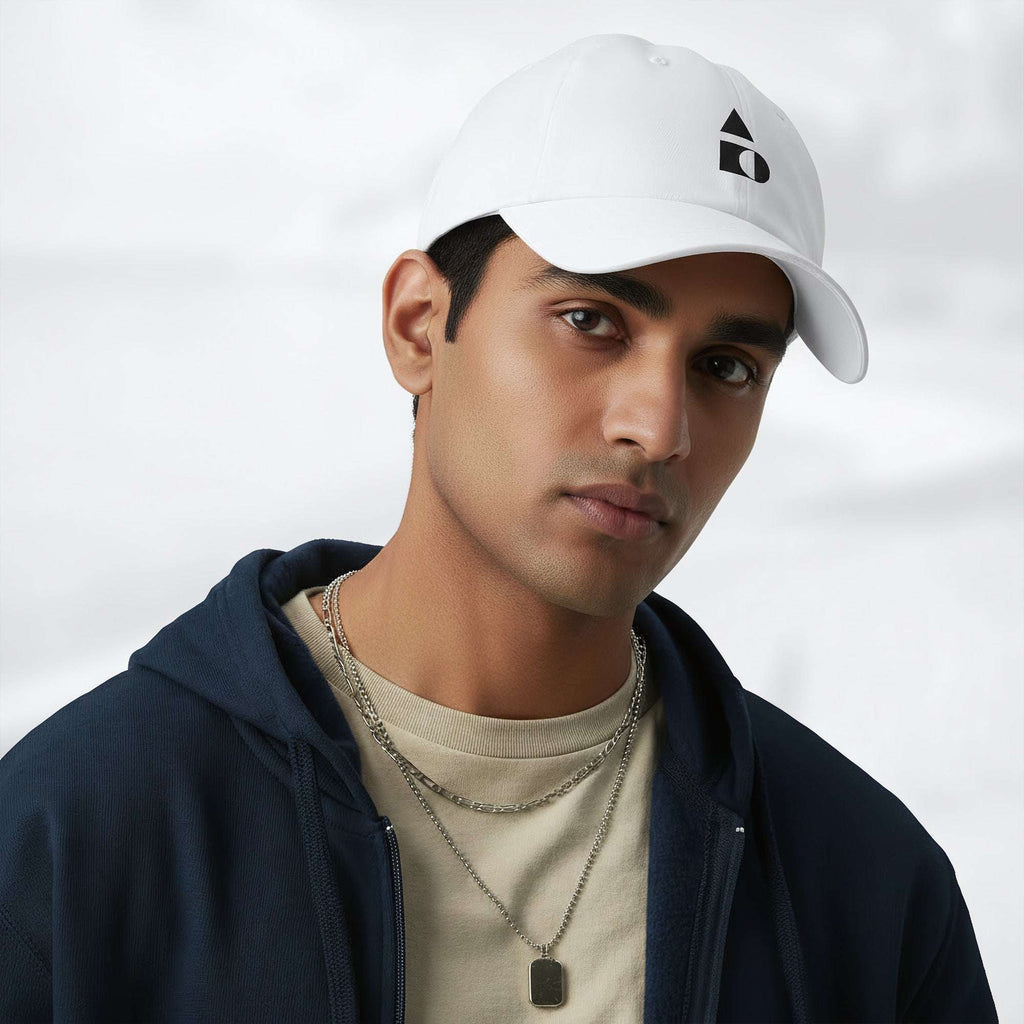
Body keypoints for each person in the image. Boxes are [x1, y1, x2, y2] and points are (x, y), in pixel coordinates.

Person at [0, 32, 998, 1024]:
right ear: (418, 325)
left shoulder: (864, 884)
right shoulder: (80, 827)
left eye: (727, 366)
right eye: (590, 321)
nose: (656, 427)